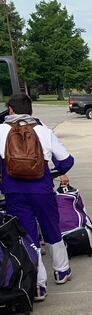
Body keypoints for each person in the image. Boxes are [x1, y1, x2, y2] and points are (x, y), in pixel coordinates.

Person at [0, 93, 73, 301]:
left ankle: (38, 286)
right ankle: (61, 271)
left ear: (10, 109)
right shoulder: (43, 131)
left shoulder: (1, 131)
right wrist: (51, 172)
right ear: (30, 110)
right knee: (51, 228)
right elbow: (66, 160)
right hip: (42, 190)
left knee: (28, 237)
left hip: (14, 192)